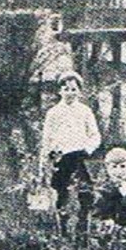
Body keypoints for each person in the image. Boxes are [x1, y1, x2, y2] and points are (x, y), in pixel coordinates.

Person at [40, 71, 100, 231]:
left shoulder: (85, 111)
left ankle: (83, 229)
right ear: (60, 91)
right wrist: (44, 162)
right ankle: (62, 230)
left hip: (80, 157)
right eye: (66, 89)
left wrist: (87, 149)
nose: (70, 93)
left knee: (86, 195)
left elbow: (95, 135)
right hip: (60, 159)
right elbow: (47, 139)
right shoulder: (53, 113)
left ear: (79, 91)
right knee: (60, 195)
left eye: (74, 89)